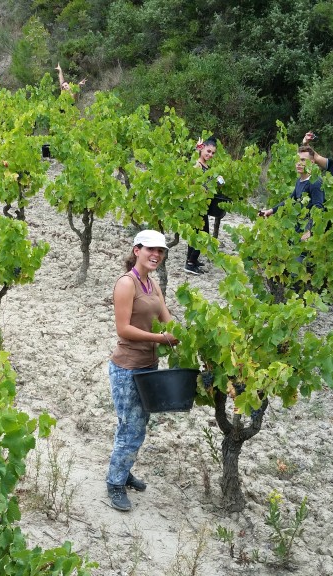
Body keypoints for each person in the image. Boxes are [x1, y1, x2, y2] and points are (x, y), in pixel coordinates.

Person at [106, 230, 178, 511]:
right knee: (131, 427)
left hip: (149, 366)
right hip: (127, 368)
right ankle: (114, 483)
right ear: (137, 250)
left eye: (160, 251)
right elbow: (123, 328)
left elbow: (167, 320)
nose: (156, 255)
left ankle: (123, 470)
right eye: (151, 249)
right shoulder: (127, 284)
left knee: (136, 424)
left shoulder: (153, 285)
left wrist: (183, 336)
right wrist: (161, 339)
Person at [257, 145, 325, 241]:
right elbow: (290, 200)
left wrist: (310, 231)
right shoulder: (299, 180)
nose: (299, 163)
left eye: (303, 160)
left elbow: (319, 208)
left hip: (308, 231)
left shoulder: (315, 182)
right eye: (297, 160)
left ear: (312, 162)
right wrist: (271, 210)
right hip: (298, 225)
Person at [184, 137, 220, 275]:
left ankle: (191, 260)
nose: (210, 155)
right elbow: (192, 183)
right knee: (203, 235)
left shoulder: (206, 166)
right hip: (196, 205)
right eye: (208, 151)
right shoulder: (197, 165)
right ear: (202, 148)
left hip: (202, 205)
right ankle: (190, 263)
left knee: (196, 233)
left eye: (212, 153)